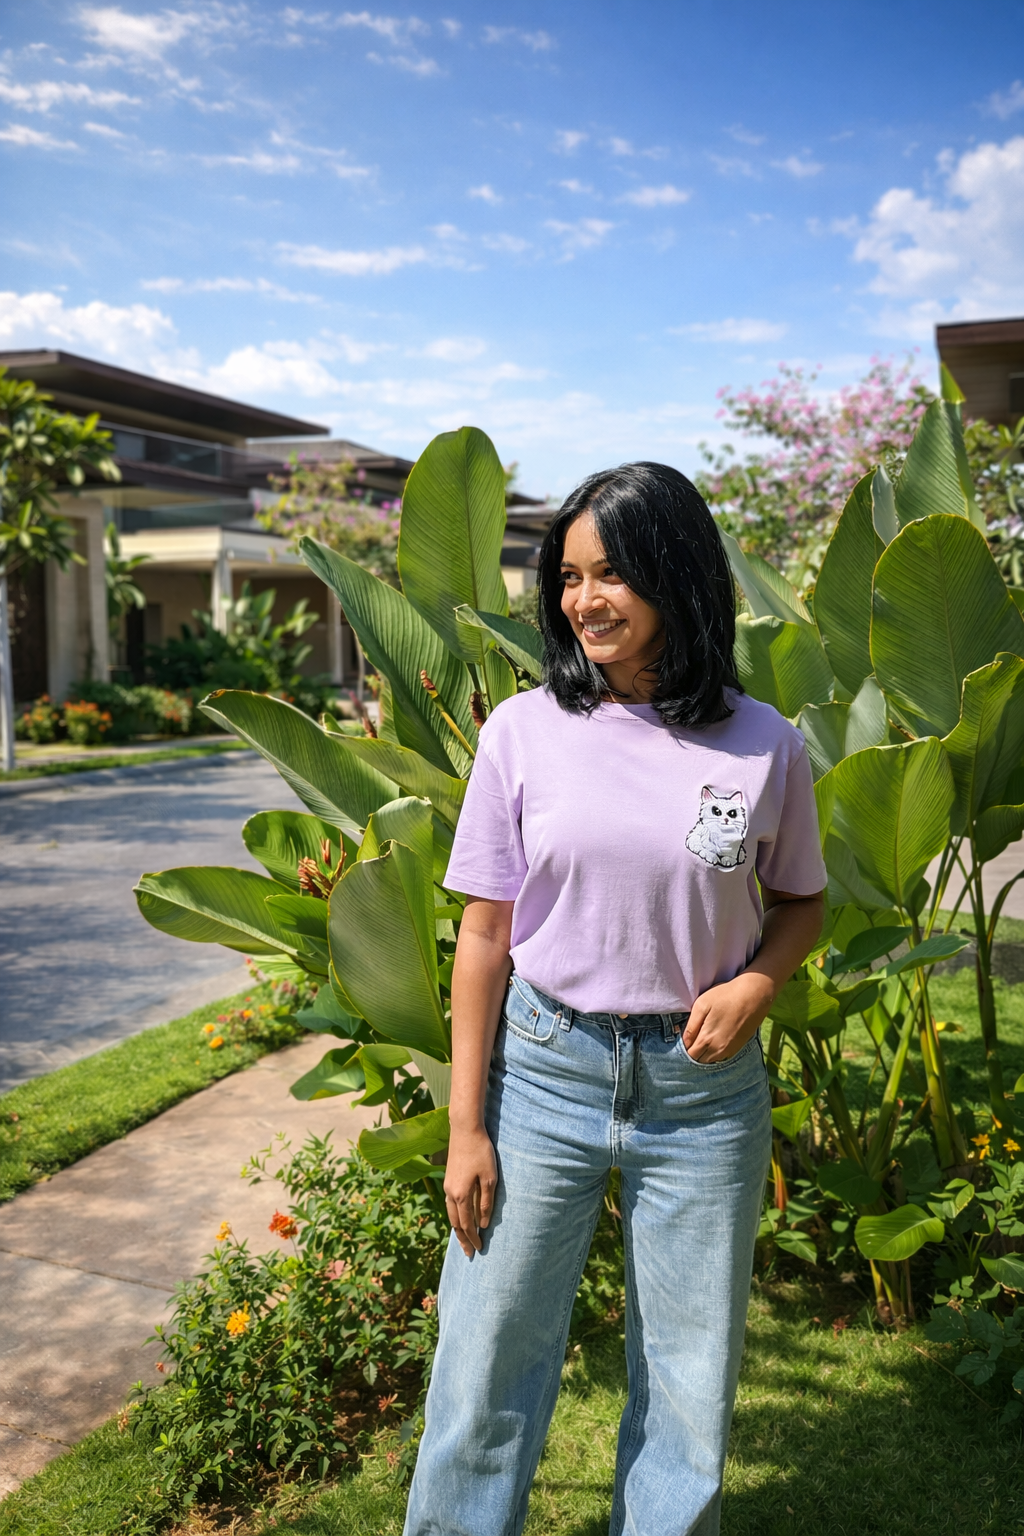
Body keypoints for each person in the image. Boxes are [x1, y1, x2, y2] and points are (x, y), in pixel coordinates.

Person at [403, 462, 827, 1536]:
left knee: (688, 1383)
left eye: (613, 575)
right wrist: (466, 1127)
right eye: (570, 575)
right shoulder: (522, 733)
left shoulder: (762, 743)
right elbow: (484, 938)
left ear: (676, 578)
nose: (583, 600)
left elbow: (801, 905)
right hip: (543, 1075)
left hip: (701, 1093)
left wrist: (758, 985)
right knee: (486, 1359)